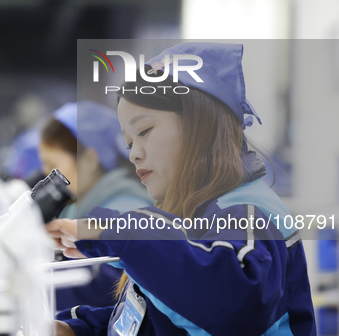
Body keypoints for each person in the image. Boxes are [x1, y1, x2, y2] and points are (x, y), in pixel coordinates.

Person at [48, 43, 316, 335]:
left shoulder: (250, 212)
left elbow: (231, 302)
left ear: (200, 125)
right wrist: (76, 330)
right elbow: (160, 320)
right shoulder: (190, 219)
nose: (134, 154)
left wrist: (116, 231)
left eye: (145, 131)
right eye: (129, 143)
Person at [39, 101, 152, 311]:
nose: (47, 174)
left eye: (53, 164)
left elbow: (107, 285)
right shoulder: (79, 206)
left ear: (90, 159)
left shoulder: (125, 208)